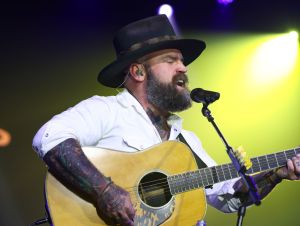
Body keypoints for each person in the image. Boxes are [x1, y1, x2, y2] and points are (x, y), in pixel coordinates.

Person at [32, 15, 300, 226]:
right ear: (138, 71)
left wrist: (276, 174)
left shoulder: (186, 142)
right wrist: (105, 192)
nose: (183, 68)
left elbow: (227, 197)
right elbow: (49, 137)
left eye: (182, 61)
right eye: (171, 60)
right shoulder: (107, 111)